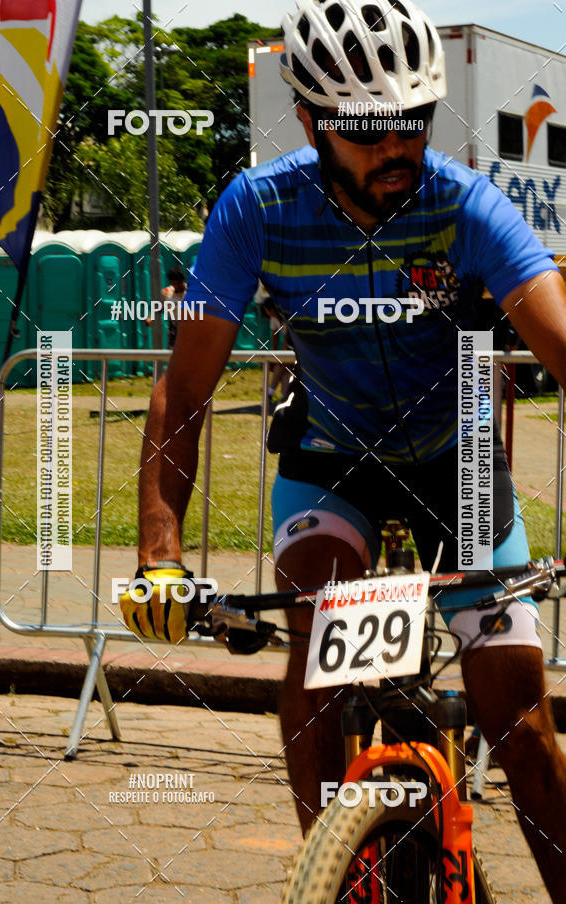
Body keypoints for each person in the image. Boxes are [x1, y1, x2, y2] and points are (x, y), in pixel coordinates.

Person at [124, 1, 566, 897]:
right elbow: (184, 387)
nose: (396, 146)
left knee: (517, 718)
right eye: (367, 130)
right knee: (319, 655)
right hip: (333, 454)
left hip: (459, 459)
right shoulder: (257, 207)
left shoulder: (462, 203)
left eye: (413, 120)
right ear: (317, 122)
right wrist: (160, 557)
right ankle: (333, 869)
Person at [145, 265, 187, 348]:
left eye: (178, 283)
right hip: (173, 328)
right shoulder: (167, 292)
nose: (176, 286)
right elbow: (159, 307)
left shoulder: (191, 292)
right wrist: (150, 317)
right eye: (173, 283)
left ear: (182, 280)